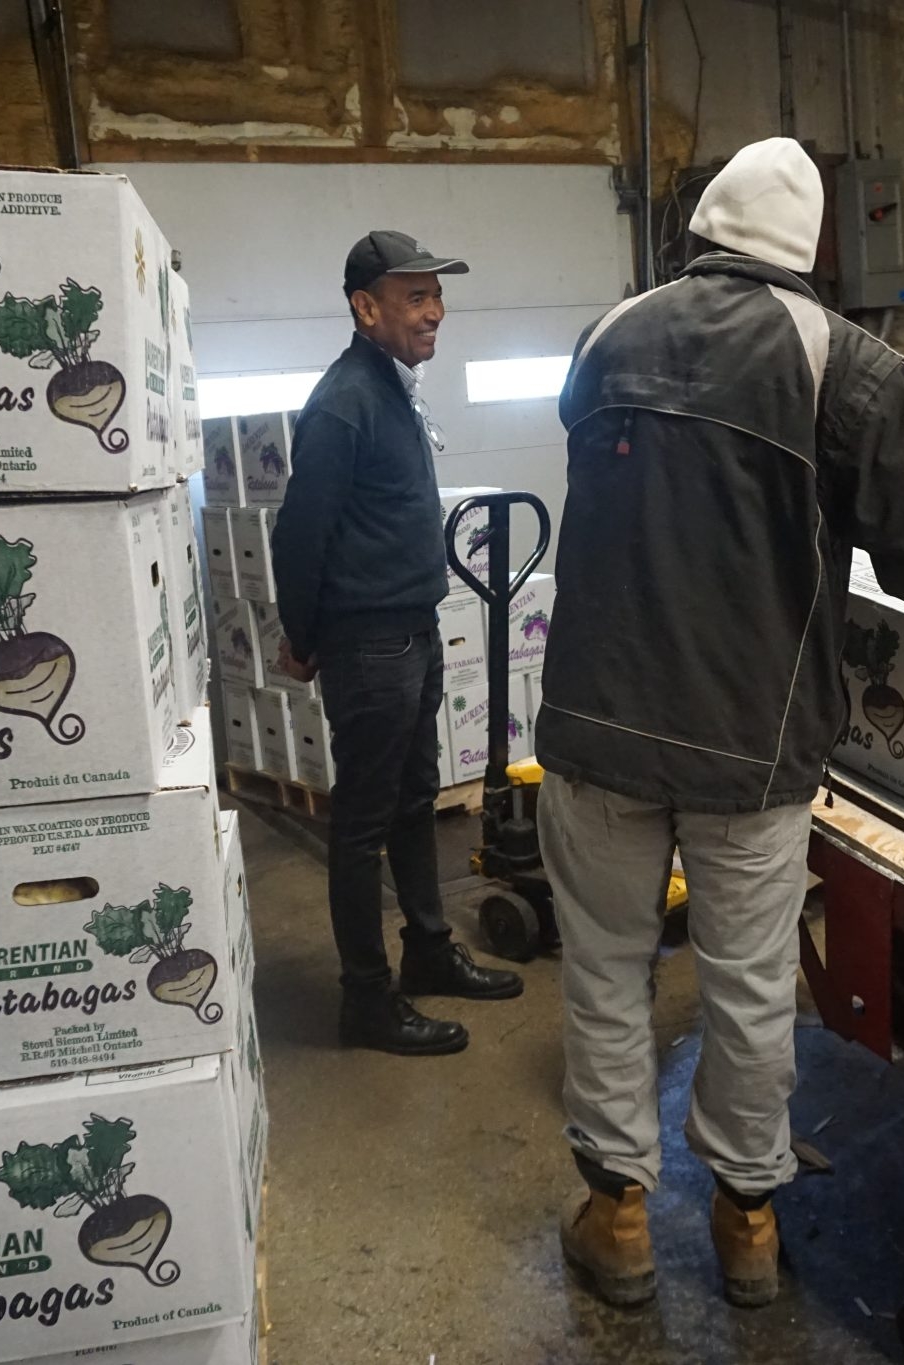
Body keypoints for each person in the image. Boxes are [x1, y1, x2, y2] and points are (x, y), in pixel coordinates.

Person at [537, 138, 904, 1308]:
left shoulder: (605, 335)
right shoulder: (846, 365)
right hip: (751, 745)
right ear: (809, 250)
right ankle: (744, 1226)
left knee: (605, 971)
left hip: (594, 728)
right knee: (743, 988)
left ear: (702, 229)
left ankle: (619, 1216)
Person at [270, 230, 524, 1057]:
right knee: (362, 825)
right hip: (370, 642)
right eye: (416, 297)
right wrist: (303, 636)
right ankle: (366, 1000)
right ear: (365, 306)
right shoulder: (344, 402)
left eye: (437, 296)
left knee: (416, 802)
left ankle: (426, 950)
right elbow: (300, 533)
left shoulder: (390, 386)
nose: (435, 313)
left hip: (412, 630)